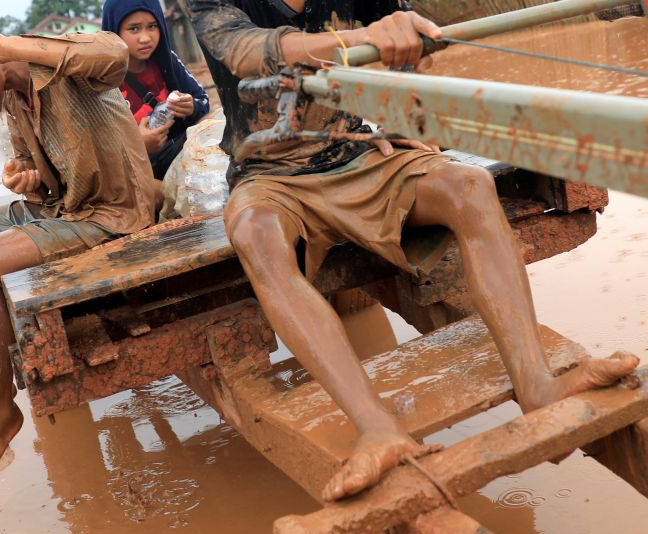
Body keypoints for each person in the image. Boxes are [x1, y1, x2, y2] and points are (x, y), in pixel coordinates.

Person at [187, 0, 640, 501]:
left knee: (469, 185)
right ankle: (378, 431)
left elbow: (410, 60)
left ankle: (538, 387)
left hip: (356, 154)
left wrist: (405, 120)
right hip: (268, 175)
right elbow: (246, 51)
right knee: (254, 235)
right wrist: (364, 39)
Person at [0, 14, 156, 484]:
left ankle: (1, 412)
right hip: (64, 208)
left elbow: (115, 54)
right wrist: (27, 174)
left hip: (111, 215)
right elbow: (37, 171)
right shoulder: (14, 100)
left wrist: (10, 47)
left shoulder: (65, 61)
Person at [102, 0, 210, 179]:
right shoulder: (102, 81)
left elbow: (202, 100)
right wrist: (138, 145)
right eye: (134, 29)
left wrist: (192, 107)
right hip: (136, 173)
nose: (145, 38)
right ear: (114, 32)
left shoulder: (167, 60)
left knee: (214, 122)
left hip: (178, 152)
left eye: (152, 26)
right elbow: (98, 149)